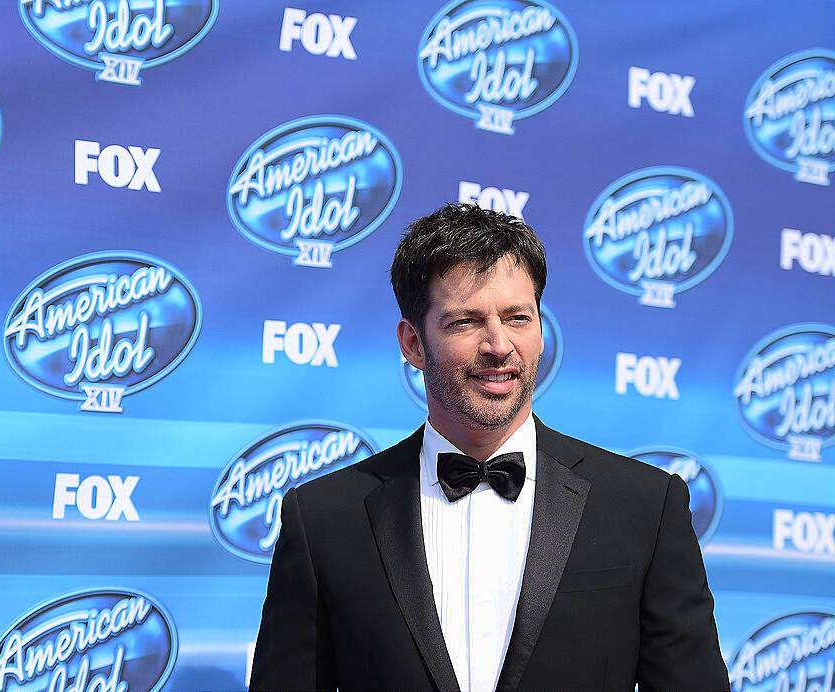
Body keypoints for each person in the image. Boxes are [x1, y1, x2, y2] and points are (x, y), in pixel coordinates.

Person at [249, 203, 729, 691]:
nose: (499, 345)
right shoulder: (325, 518)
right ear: (413, 343)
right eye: (465, 322)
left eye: (518, 318)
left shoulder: (644, 508)